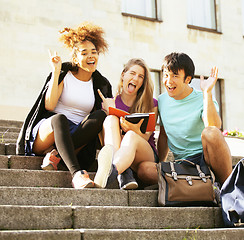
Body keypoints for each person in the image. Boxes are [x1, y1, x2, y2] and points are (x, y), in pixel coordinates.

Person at [16, 22, 112, 189]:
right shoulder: (64, 74)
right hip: (49, 131)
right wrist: (55, 71)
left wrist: (109, 109)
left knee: (100, 116)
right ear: (75, 58)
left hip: (75, 135)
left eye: (94, 52)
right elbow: (49, 105)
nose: (91, 56)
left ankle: (55, 156)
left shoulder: (100, 84)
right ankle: (77, 174)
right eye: (84, 53)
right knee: (59, 118)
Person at [137, 52, 232, 186]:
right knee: (144, 170)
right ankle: (200, 182)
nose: (169, 81)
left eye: (175, 76)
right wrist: (160, 163)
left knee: (210, 132)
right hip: (183, 165)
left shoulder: (202, 98)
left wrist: (207, 93)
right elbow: (164, 135)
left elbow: (213, 127)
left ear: (187, 79)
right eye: (166, 75)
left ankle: (228, 187)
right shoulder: (162, 101)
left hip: (207, 158)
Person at [87, 58, 158, 189]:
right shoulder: (111, 102)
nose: (136, 78)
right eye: (132, 73)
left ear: (143, 82)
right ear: (123, 75)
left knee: (130, 136)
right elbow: (104, 138)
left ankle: (111, 172)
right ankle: (124, 172)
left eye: (140, 76)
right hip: (120, 151)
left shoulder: (151, 103)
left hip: (144, 154)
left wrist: (133, 129)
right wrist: (109, 112)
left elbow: (146, 137)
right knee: (110, 119)